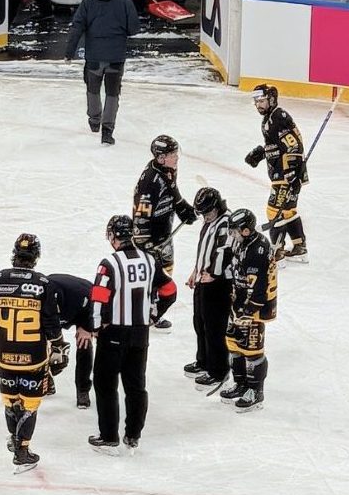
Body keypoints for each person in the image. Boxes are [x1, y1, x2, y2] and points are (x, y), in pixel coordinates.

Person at [83, 214, 177, 453]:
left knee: (105, 384)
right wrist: (153, 315)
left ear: (112, 236)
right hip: (140, 334)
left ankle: (109, 438)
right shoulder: (149, 260)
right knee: (136, 386)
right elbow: (170, 289)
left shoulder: (109, 263)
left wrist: (96, 327)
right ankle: (133, 435)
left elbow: (98, 298)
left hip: (113, 333)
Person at [0, 233, 65, 473]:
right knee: (30, 404)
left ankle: (13, 438)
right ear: (36, 257)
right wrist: (59, 347)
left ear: (14, 254)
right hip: (33, 358)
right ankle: (22, 451)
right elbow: (51, 323)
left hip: (5, 355)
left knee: (11, 401)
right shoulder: (43, 283)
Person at [65, 0, 140, 145]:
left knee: (93, 88)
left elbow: (77, 27)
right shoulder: (125, 2)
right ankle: (107, 131)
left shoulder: (88, 1)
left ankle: (94, 120)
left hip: (94, 56)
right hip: (116, 57)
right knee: (112, 93)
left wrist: (69, 53)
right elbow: (133, 29)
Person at [132, 134, 197, 330]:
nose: (177, 157)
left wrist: (183, 208)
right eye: (172, 154)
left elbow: (173, 192)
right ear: (161, 158)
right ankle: (144, 315)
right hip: (152, 239)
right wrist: (146, 245)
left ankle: (153, 310)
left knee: (166, 272)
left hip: (164, 235)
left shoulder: (168, 170)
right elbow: (141, 216)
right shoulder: (150, 181)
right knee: (153, 279)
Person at [219, 209, 277, 412]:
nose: (232, 235)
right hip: (240, 300)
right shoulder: (244, 241)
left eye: (235, 231)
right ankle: (241, 384)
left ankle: (255, 391)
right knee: (233, 343)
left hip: (255, 307)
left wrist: (247, 311)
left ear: (245, 230)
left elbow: (259, 290)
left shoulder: (257, 251)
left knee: (252, 349)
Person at [245, 83, 309, 261]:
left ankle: (277, 253)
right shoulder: (270, 118)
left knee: (274, 211)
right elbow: (278, 145)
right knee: (288, 210)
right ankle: (300, 247)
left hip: (286, 174)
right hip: (286, 173)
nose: (258, 105)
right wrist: (261, 153)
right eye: (256, 101)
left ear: (272, 100)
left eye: (261, 101)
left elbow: (294, 145)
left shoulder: (277, 117)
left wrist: (293, 173)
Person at [184, 187, 234, 390]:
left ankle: (218, 370)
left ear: (216, 207)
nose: (204, 217)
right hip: (203, 278)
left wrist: (213, 274)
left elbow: (224, 251)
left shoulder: (226, 222)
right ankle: (204, 361)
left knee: (215, 327)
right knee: (200, 322)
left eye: (207, 212)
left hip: (218, 283)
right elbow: (204, 250)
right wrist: (196, 270)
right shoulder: (209, 221)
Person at [47, 269, 97, 409]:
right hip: (49, 318)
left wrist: (87, 327)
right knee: (36, 341)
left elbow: (97, 304)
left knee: (84, 343)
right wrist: (56, 343)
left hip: (83, 311)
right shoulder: (39, 294)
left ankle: (83, 390)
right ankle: (45, 379)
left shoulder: (80, 293)